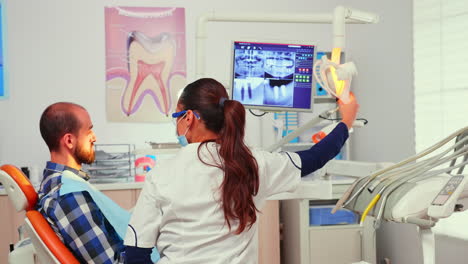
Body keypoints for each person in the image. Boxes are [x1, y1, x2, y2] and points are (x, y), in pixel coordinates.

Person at [124, 78, 359, 263]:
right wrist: (346, 120)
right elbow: (314, 158)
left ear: (188, 118)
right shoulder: (252, 164)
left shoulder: (161, 174)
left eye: (175, 116)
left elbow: (135, 254)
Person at [37, 102, 125, 263]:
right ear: (69, 140)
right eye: (89, 130)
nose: (94, 137)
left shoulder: (60, 182)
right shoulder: (68, 196)